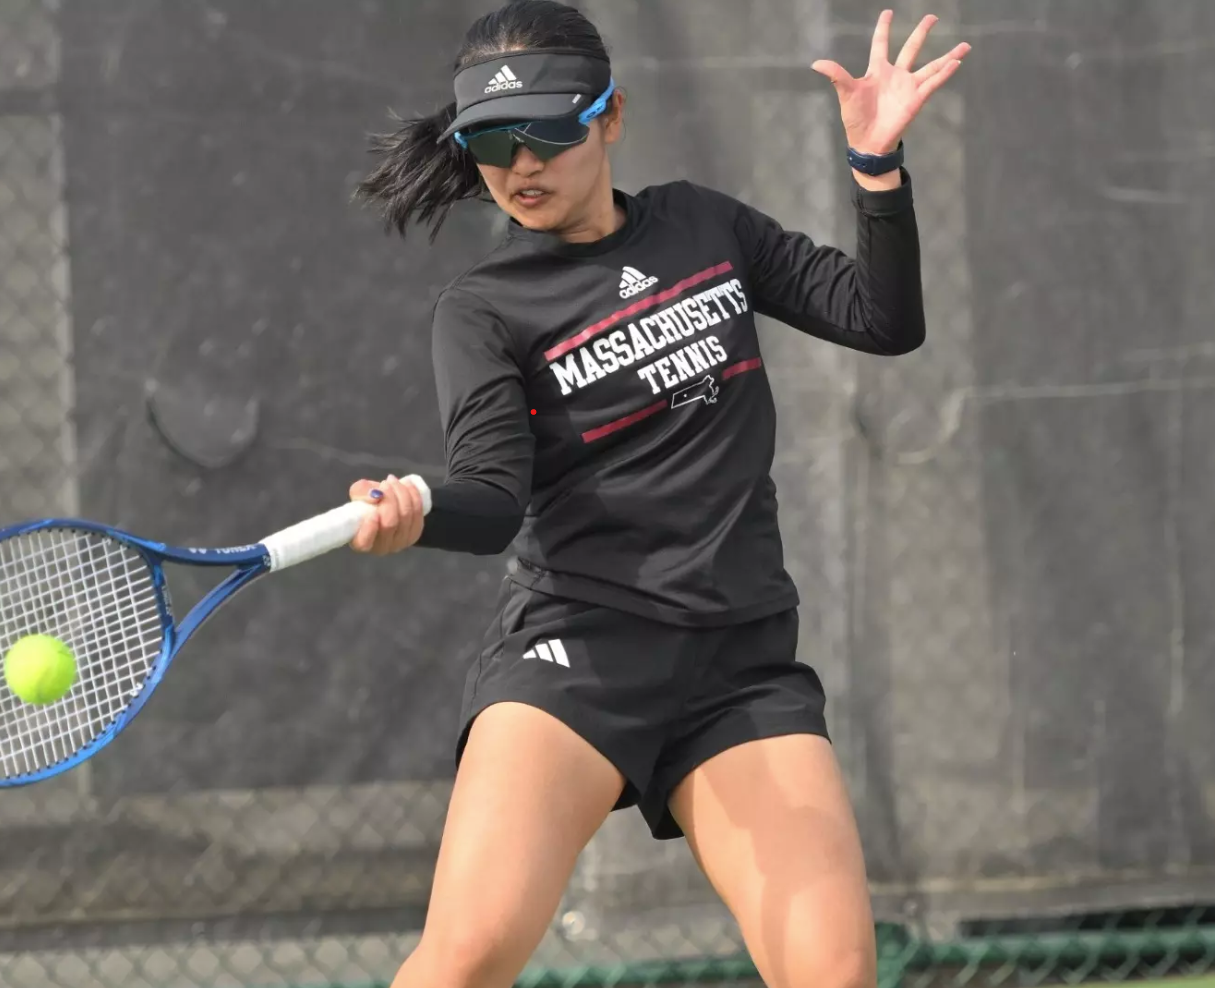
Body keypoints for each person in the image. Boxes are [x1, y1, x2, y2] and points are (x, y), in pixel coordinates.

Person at [350, 3, 968, 986]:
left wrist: (875, 167)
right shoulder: (481, 311)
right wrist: (420, 509)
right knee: (464, 960)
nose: (520, 165)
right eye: (492, 144)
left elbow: (880, 319)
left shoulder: (703, 225)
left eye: (546, 131)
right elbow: (493, 497)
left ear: (610, 118)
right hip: (576, 658)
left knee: (835, 975)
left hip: (736, 664)